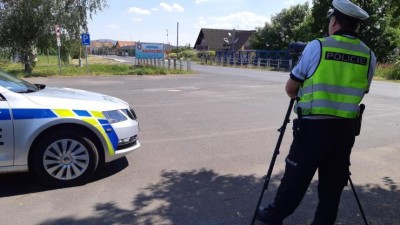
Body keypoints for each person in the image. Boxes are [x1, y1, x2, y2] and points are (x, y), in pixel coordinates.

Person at [256, 0, 376, 224]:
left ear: (335, 21)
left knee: (295, 179)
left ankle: (274, 216)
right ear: (356, 26)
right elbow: (362, 90)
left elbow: (291, 88)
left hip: (312, 131)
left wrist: (302, 97)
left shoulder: (317, 46)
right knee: (332, 189)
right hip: (344, 133)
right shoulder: (369, 55)